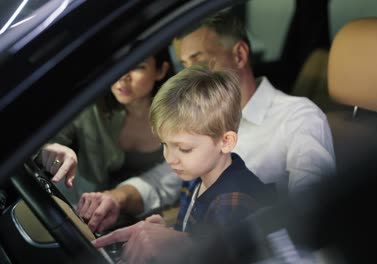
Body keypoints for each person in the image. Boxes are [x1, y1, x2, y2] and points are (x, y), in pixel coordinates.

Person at [78, 10, 336, 232]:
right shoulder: (197, 119)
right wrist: (117, 198)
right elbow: (164, 180)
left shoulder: (298, 118)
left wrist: (185, 243)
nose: (190, 74)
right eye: (184, 64)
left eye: (199, 60)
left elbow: (311, 213)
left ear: (239, 55)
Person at [93, 64, 276, 264]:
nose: (170, 158)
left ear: (226, 142)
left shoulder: (232, 201)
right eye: (165, 145)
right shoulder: (197, 177)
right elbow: (193, 239)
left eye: (184, 149)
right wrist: (167, 234)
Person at [40, 45, 182, 230]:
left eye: (137, 66)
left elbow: (173, 178)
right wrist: (54, 155)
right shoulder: (91, 106)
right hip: (84, 212)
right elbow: (47, 145)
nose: (122, 76)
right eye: (116, 64)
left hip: (147, 218)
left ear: (161, 70)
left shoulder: (181, 115)